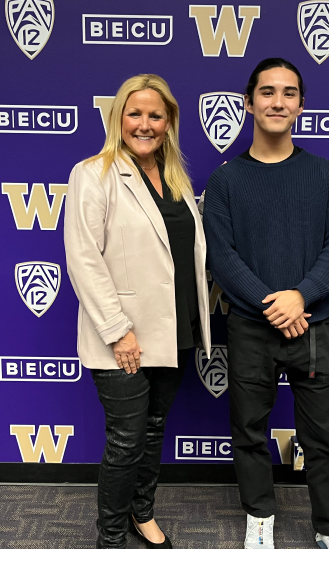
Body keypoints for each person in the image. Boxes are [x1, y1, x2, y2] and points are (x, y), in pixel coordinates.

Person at [205, 58, 329, 549]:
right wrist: (274, 304)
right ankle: (260, 518)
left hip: (315, 323)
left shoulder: (325, 174)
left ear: (301, 105)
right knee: (249, 430)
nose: (278, 101)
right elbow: (222, 257)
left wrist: (300, 297)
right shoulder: (227, 180)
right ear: (248, 104)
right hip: (252, 328)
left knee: (327, 438)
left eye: (288, 93)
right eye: (267, 92)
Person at [64, 74, 211, 549]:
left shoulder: (176, 180)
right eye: (135, 113)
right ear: (118, 118)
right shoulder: (93, 173)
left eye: (155, 115)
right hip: (123, 337)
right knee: (127, 438)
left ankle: (141, 514)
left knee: (152, 431)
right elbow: (84, 258)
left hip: (174, 331)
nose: (144, 124)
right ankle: (111, 537)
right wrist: (117, 330)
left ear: (168, 122)